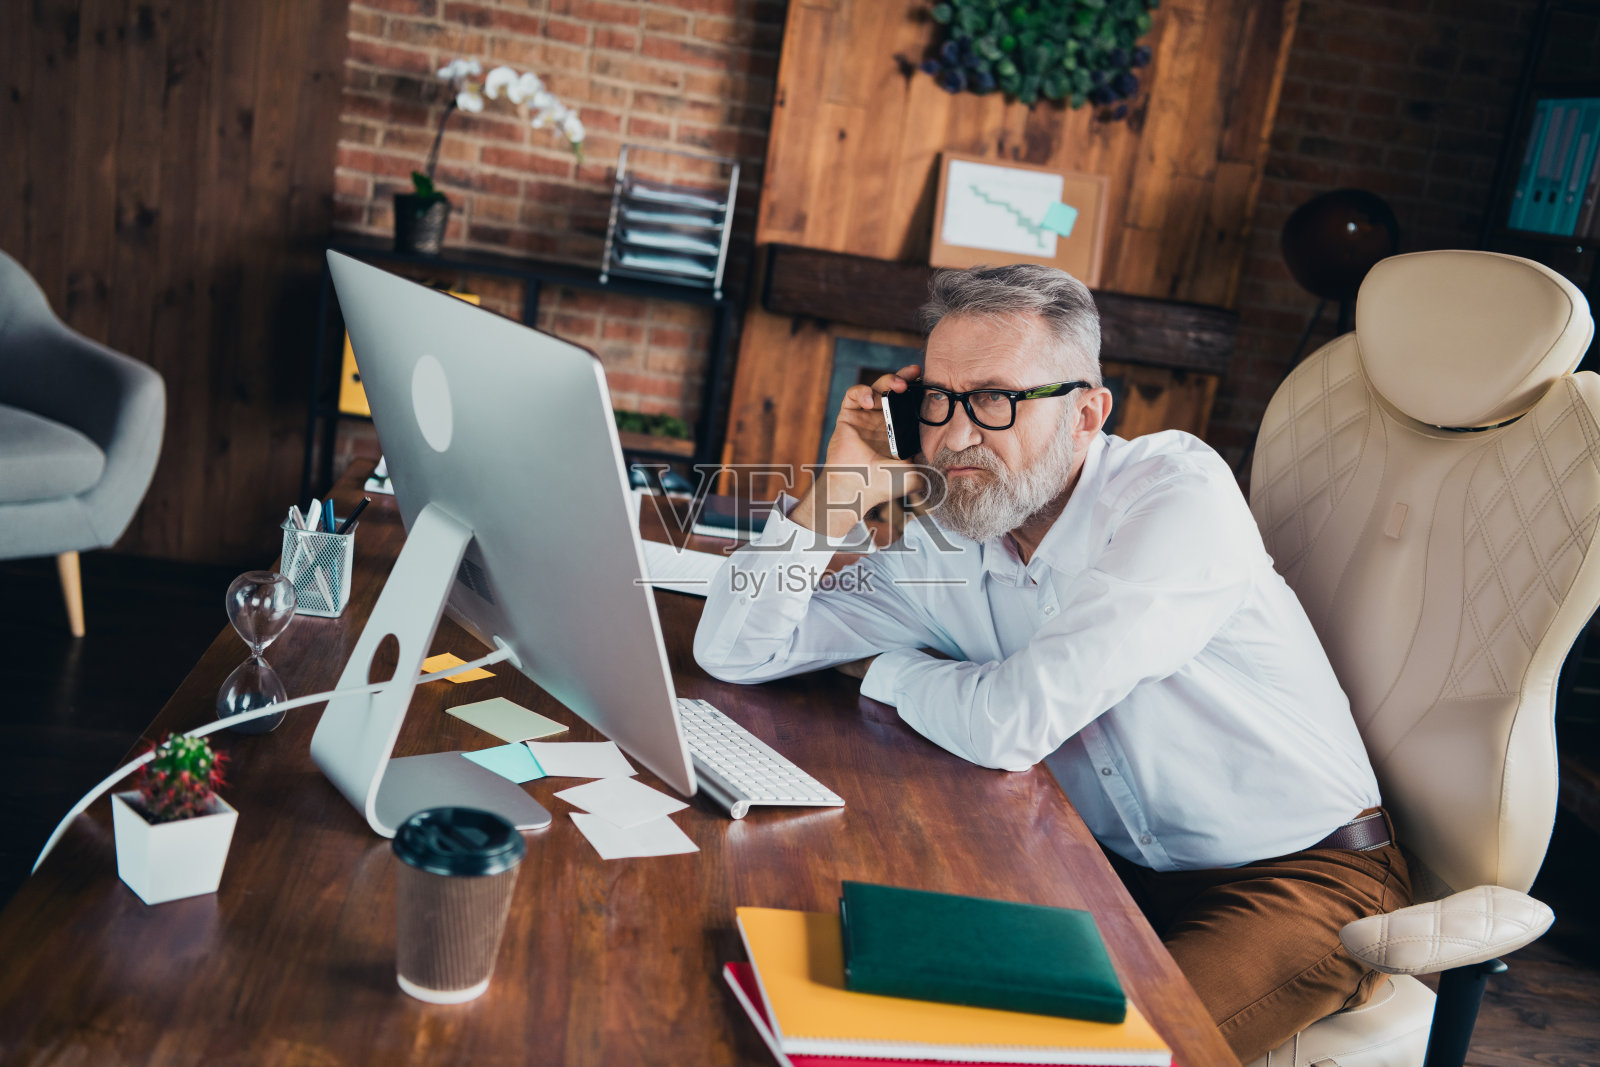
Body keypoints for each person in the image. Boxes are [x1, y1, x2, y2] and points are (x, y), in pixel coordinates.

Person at [693, 263, 1412, 1063]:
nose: (957, 434)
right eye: (936, 398)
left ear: (1086, 414)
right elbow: (736, 649)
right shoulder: (945, 537)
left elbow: (1013, 724)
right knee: (890, 1005)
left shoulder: (1176, 496)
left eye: (997, 399)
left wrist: (888, 673)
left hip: (1301, 875)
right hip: (1103, 864)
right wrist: (835, 491)